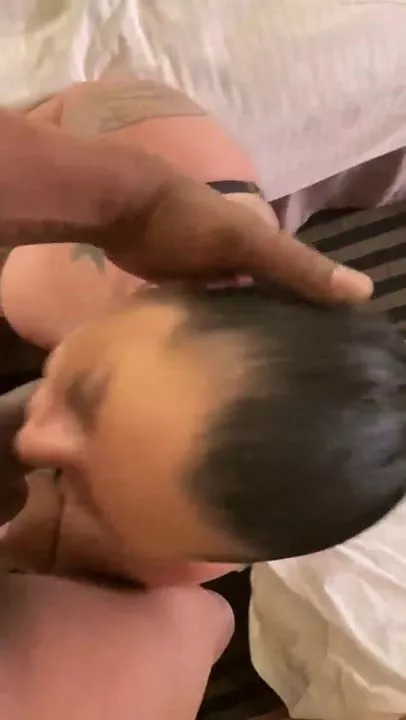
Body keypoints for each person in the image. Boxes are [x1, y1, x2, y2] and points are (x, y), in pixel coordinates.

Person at [0, 77, 373, 720]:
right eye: (86, 393)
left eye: (98, 494)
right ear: (156, 294)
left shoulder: (190, 555)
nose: (33, 440)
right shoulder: (52, 269)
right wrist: (137, 202)